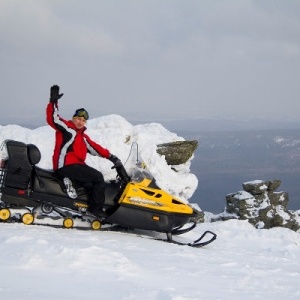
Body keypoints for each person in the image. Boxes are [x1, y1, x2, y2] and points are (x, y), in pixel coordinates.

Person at [46, 85, 122, 217]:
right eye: (78, 119)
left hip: (76, 166)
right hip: (65, 165)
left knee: (92, 183)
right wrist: (53, 101)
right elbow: (53, 118)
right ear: (73, 118)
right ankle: (95, 211)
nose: (80, 122)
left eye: (83, 120)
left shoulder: (83, 137)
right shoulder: (66, 128)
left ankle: (81, 204)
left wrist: (111, 157)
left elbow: (96, 148)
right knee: (98, 178)